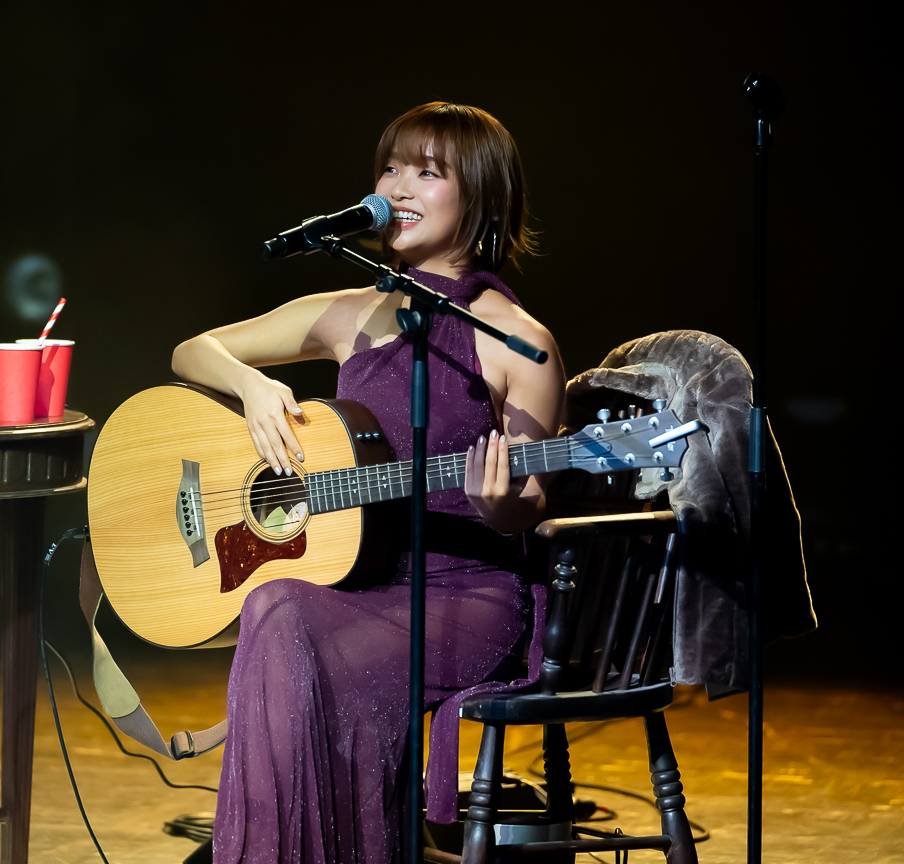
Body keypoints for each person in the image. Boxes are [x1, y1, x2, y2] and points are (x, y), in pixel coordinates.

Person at [172, 102, 565, 863]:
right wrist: (253, 387)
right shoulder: (348, 314)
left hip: (465, 596)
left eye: (428, 171)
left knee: (285, 623)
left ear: (481, 196)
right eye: (390, 168)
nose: (398, 187)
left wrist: (501, 505)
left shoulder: (519, 344)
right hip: (361, 577)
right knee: (275, 604)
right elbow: (194, 350)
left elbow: (529, 501)